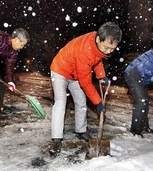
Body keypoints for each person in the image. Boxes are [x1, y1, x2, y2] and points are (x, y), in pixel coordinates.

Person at [49, 22, 122, 155]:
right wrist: (98, 102)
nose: (108, 51)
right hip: (60, 70)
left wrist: (101, 76)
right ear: (99, 39)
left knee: (81, 102)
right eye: (106, 47)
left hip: (75, 73)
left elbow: (97, 58)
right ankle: (56, 139)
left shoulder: (97, 44)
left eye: (112, 49)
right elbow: (86, 83)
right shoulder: (85, 50)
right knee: (60, 102)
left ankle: (81, 130)